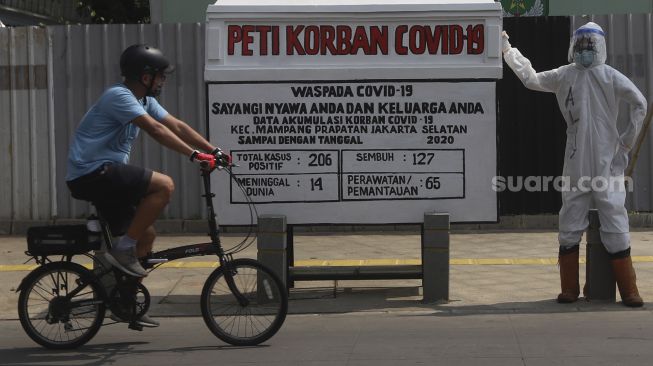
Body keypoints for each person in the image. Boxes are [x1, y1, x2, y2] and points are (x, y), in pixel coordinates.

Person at [66, 44, 227, 326]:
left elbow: (176, 125)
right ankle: (123, 249)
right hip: (91, 173)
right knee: (164, 186)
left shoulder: (144, 101)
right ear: (145, 77)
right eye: (161, 76)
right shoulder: (119, 96)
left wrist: (213, 151)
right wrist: (193, 155)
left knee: (147, 237)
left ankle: (124, 302)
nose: (163, 81)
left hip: (106, 177)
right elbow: (156, 129)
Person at [502, 22, 647, 307]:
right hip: (578, 157)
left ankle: (629, 290)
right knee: (570, 218)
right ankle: (569, 288)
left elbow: (640, 103)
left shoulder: (610, 77)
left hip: (606, 160)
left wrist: (625, 144)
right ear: (573, 48)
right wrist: (508, 50)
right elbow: (531, 79)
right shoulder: (565, 75)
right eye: (580, 47)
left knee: (615, 218)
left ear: (600, 48)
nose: (584, 51)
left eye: (589, 47)